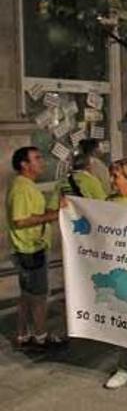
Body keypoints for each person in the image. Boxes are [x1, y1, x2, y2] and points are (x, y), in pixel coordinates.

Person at [6, 147, 63, 350]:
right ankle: (40, 336)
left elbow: (36, 212)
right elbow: (20, 221)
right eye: (37, 158)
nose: (42, 162)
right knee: (38, 297)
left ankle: (22, 335)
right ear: (24, 164)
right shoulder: (22, 188)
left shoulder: (27, 185)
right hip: (29, 250)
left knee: (27, 295)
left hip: (28, 249)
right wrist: (53, 216)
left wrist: (56, 207)